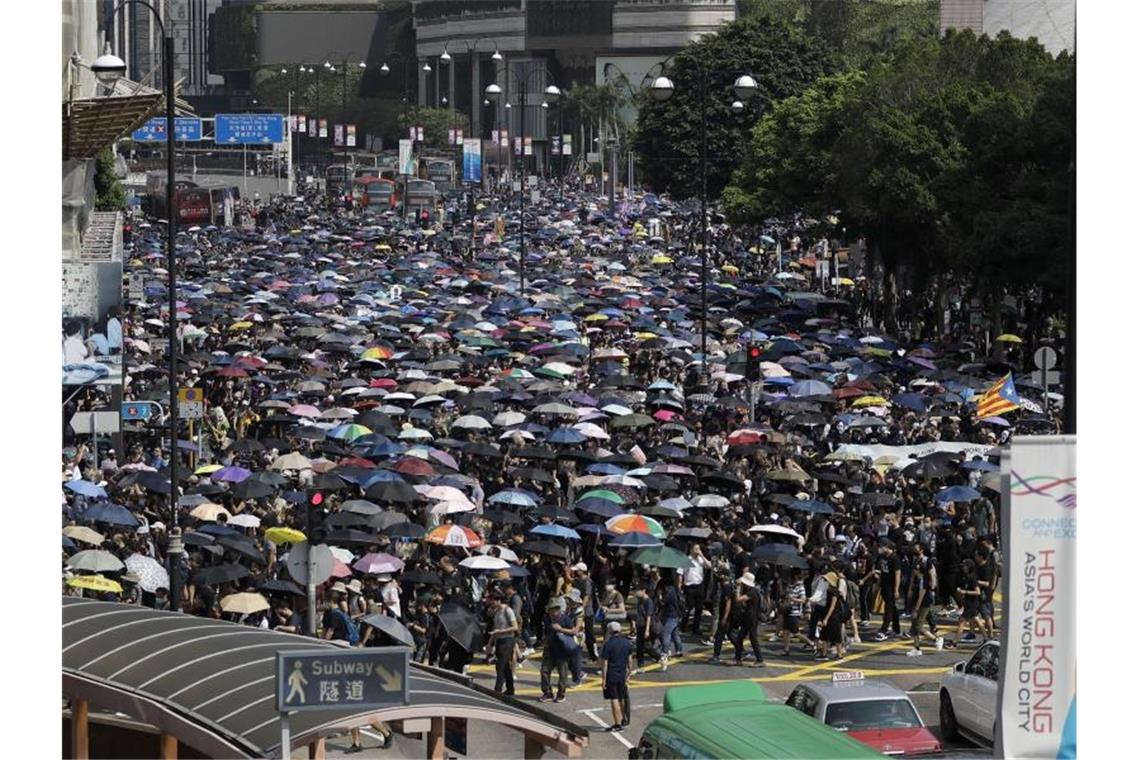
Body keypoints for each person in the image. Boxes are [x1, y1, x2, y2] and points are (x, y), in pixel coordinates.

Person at [906, 543, 942, 655]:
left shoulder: (923, 581)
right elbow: (912, 577)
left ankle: (935, 639)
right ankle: (917, 648)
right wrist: (910, 590)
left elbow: (923, 593)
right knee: (915, 626)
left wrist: (915, 609)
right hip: (918, 600)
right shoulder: (916, 565)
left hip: (924, 601)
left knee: (918, 625)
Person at [600, 620, 635, 731]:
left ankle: (617, 724)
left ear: (609, 631)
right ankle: (624, 719)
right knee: (622, 697)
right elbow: (630, 661)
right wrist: (629, 674)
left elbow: (604, 664)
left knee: (614, 699)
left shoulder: (608, 644)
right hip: (622, 675)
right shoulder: (627, 643)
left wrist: (603, 679)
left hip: (611, 675)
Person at [539, 599, 574, 703]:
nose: (550, 613)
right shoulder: (547, 618)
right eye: (549, 610)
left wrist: (561, 630)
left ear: (558, 610)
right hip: (549, 649)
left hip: (562, 650)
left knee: (562, 673)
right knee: (544, 670)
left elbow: (573, 632)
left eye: (552, 610)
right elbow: (545, 631)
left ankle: (561, 694)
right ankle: (547, 692)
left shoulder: (566, 620)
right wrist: (544, 639)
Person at [488, 592, 519, 695]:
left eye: (491, 600)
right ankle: (510, 689)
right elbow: (494, 629)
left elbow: (515, 627)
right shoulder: (497, 612)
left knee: (500, 666)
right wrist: (489, 643)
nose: (490, 603)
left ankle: (497, 690)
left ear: (498, 600)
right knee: (505, 666)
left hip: (507, 641)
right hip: (499, 642)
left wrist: (499, 632)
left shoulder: (508, 610)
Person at [873, 540, 902, 641]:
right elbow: (882, 572)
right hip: (884, 586)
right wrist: (878, 585)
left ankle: (884, 630)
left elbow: (898, 574)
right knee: (892, 608)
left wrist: (896, 590)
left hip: (891, 587)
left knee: (888, 609)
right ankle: (897, 629)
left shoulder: (895, 558)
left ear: (886, 547)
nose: (879, 549)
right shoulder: (883, 557)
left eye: (881, 547)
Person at [682, 543, 711, 635]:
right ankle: (683, 624)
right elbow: (680, 573)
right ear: (691, 550)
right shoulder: (686, 560)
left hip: (699, 586)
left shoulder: (700, 559)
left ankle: (696, 628)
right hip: (689, 586)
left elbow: (709, 566)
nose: (697, 550)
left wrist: (702, 555)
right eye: (696, 549)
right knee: (689, 607)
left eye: (699, 548)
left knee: (699, 608)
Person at [780, 568, 809, 656]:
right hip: (787, 610)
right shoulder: (790, 585)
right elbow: (784, 594)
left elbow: (803, 600)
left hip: (795, 612)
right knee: (785, 631)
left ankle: (811, 643)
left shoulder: (800, 587)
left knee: (795, 632)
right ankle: (786, 649)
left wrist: (793, 599)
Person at [658, 572, 683, 658]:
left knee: (666, 634)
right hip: (676, 614)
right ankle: (679, 650)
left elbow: (663, 603)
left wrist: (660, 596)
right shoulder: (675, 589)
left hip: (670, 615)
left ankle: (665, 652)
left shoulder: (669, 591)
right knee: (675, 633)